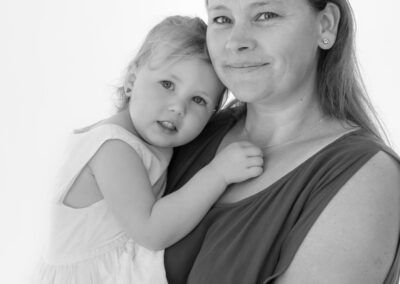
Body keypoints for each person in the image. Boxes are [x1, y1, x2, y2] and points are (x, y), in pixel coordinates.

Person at [164, 0, 400, 283]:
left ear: (325, 25)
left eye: (265, 15)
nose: (236, 42)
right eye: (222, 19)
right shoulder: (184, 130)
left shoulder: (366, 178)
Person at [32, 15, 264, 284]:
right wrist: (218, 173)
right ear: (131, 80)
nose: (178, 107)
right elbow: (152, 231)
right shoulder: (113, 148)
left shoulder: (145, 141)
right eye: (167, 85)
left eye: (198, 100)